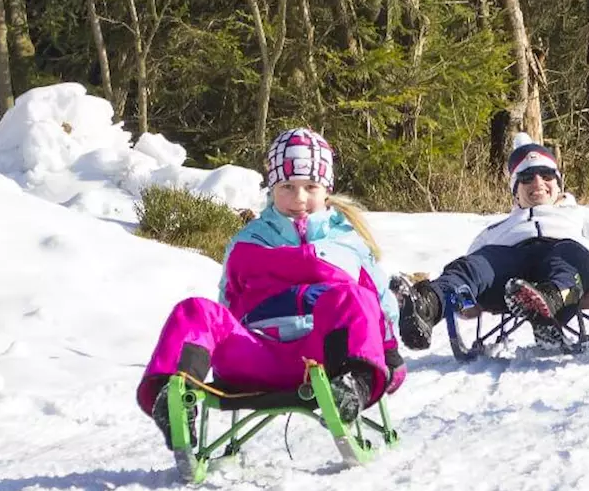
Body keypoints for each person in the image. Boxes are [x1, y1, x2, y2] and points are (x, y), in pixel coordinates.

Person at [137, 128, 406, 449]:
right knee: (194, 309)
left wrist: (389, 355)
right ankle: (173, 397)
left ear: (327, 189)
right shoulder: (247, 242)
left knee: (353, 296)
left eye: (310, 187)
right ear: (272, 187)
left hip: (323, 358)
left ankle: (353, 388)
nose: (299, 198)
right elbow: (226, 306)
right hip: (255, 355)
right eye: (287, 187)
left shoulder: (348, 244)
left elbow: (377, 305)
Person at [396, 135, 589, 351]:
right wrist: (469, 305)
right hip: (510, 272)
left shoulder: (581, 215)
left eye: (546, 175)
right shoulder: (496, 230)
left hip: (565, 260)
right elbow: (472, 273)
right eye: (527, 178)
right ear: (515, 191)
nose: (538, 182)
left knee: (572, 255)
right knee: (476, 263)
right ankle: (427, 305)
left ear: (559, 184)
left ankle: (548, 306)